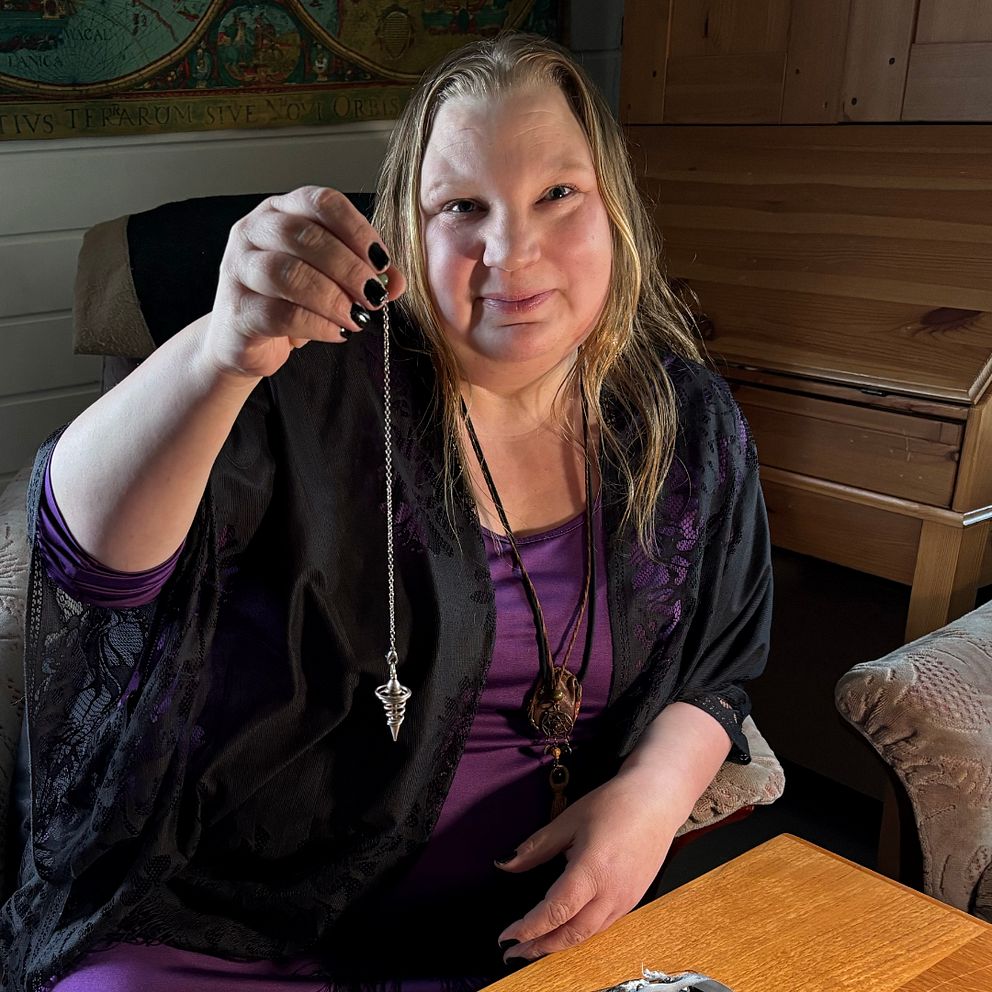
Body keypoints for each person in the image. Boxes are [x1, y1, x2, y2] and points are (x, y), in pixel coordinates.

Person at [0, 31, 772, 992]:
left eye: (557, 194)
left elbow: (722, 658)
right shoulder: (309, 380)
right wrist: (221, 350)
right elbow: (90, 559)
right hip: (243, 926)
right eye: (462, 207)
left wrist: (653, 797)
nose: (512, 252)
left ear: (614, 206)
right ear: (405, 231)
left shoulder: (680, 416)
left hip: (529, 936)